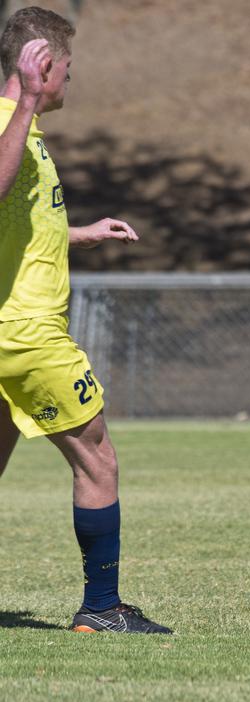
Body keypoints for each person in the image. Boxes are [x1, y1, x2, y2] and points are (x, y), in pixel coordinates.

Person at [0, 8, 170, 633]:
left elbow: (15, 223)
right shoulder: (12, 123)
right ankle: (101, 608)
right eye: (67, 68)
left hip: (10, 332)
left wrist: (78, 233)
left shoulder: (27, 135)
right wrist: (26, 105)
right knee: (97, 460)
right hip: (27, 334)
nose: (72, 79)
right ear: (43, 66)